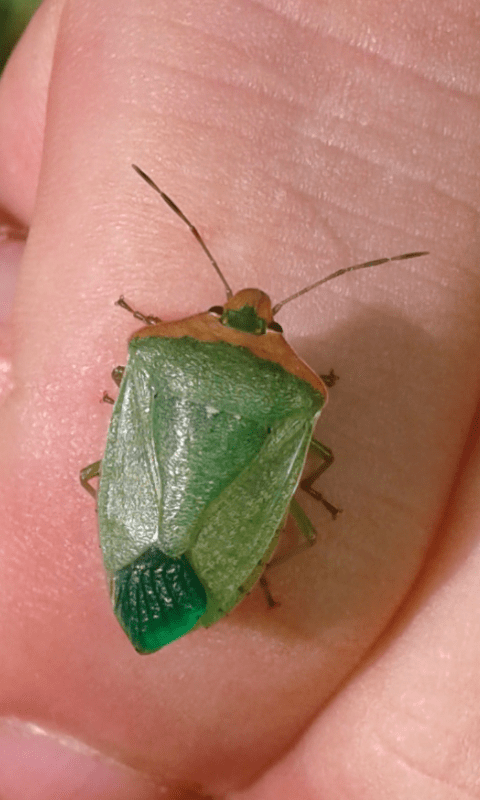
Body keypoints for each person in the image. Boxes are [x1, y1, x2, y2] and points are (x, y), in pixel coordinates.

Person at [0, 0, 477, 797]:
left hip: (152, 490)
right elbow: (307, 465)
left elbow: (120, 424)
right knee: (307, 519)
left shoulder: (155, 355)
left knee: (97, 472)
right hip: (225, 545)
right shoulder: (295, 405)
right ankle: (252, 580)